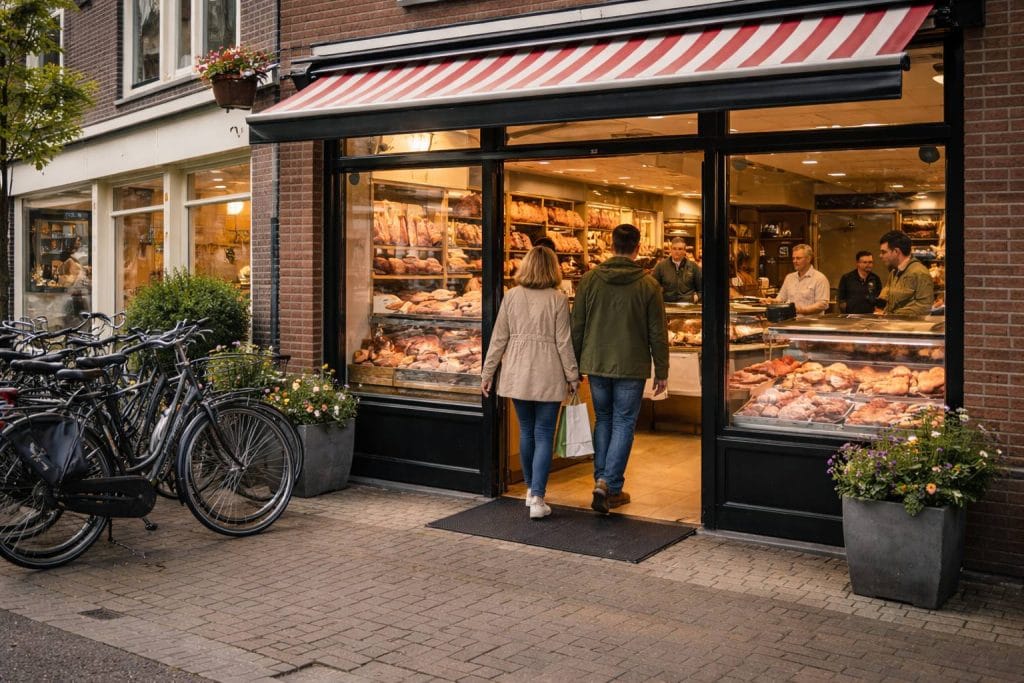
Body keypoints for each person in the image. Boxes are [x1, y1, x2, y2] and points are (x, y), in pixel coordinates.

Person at [571, 224, 669, 514]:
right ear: (637, 248)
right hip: (632, 364)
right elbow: (658, 332)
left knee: (603, 419)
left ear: (612, 245)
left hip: (596, 362)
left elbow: (577, 326)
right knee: (624, 423)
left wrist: (574, 365)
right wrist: (662, 369)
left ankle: (603, 481)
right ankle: (609, 484)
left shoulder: (589, 280)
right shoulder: (648, 284)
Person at [481, 246, 580, 520]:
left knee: (527, 431)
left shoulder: (511, 296)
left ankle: (529, 491)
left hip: (517, 371)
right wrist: (573, 375)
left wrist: (487, 373)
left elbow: (498, 338)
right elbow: (563, 342)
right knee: (544, 433)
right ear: (553, 269)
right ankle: (538, 496)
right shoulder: (558, 299)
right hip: (548, 372)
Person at [875, 230, 934, 317]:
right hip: (896, 327)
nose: (880, 256)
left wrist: (892, 315)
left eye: (884, 252)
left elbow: (924, 307)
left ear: (896, 252)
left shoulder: (920, 272)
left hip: (911, 329)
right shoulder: (894, 272)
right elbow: (890, 302)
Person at [764, 244, 830, 316]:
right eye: (793, 258)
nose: (794, 261)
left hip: (811, 324)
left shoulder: (820, 278)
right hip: (790, 323)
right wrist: (771, 301)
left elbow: (822, 304)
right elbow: (781, 299)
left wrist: (802, 310)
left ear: (808, 259)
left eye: (798, 258)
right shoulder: (789, 278)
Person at [652, 237, 701, 302]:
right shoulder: (661, 266)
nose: (677, 252)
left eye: (680, 249)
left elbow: (701, 289)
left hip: (688, 306)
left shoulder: (693, 266)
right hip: (667, 304)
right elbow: (652, 287)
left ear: (684, 251)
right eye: (674, 249)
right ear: (670, 250)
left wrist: (696, 298)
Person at [837, 250, 883, 314]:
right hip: (851, 317)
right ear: (858, 263)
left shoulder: (875, 278)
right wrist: (844, 314)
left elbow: (880, 298)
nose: (868, 265)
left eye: (870, 262)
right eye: (865, 262)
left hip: (871, 317)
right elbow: (841, 299)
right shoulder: (847, 278)